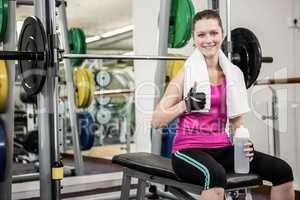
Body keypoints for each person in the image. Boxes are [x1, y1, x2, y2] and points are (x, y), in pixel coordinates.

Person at [151, 10, 294, 200]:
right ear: (194, 39)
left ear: (222, 35)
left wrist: (244, 142)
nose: (208, 40)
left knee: (282, 170)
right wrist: (185, 105)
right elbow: (156, 121)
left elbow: (237, 123)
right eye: (201, 35)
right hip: (188, 150)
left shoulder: (233, 74)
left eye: (213, 33)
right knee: (215, 175)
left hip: (223, 147)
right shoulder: (186, 73)